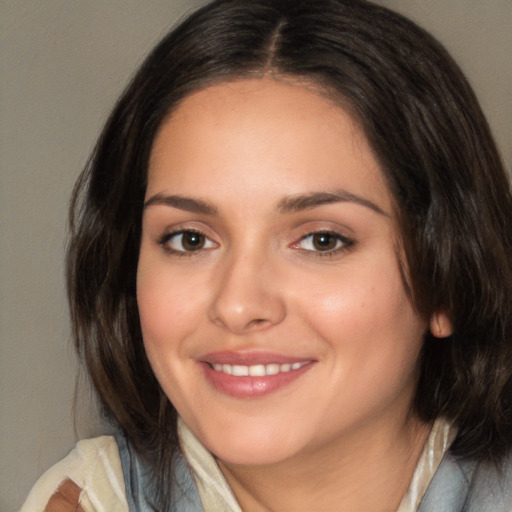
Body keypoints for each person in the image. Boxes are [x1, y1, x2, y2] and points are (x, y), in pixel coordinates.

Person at [21, 0, 512, 510]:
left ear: (450, 277)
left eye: (322, 240)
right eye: (190, 239)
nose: (237, 304)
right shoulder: (83, 500)